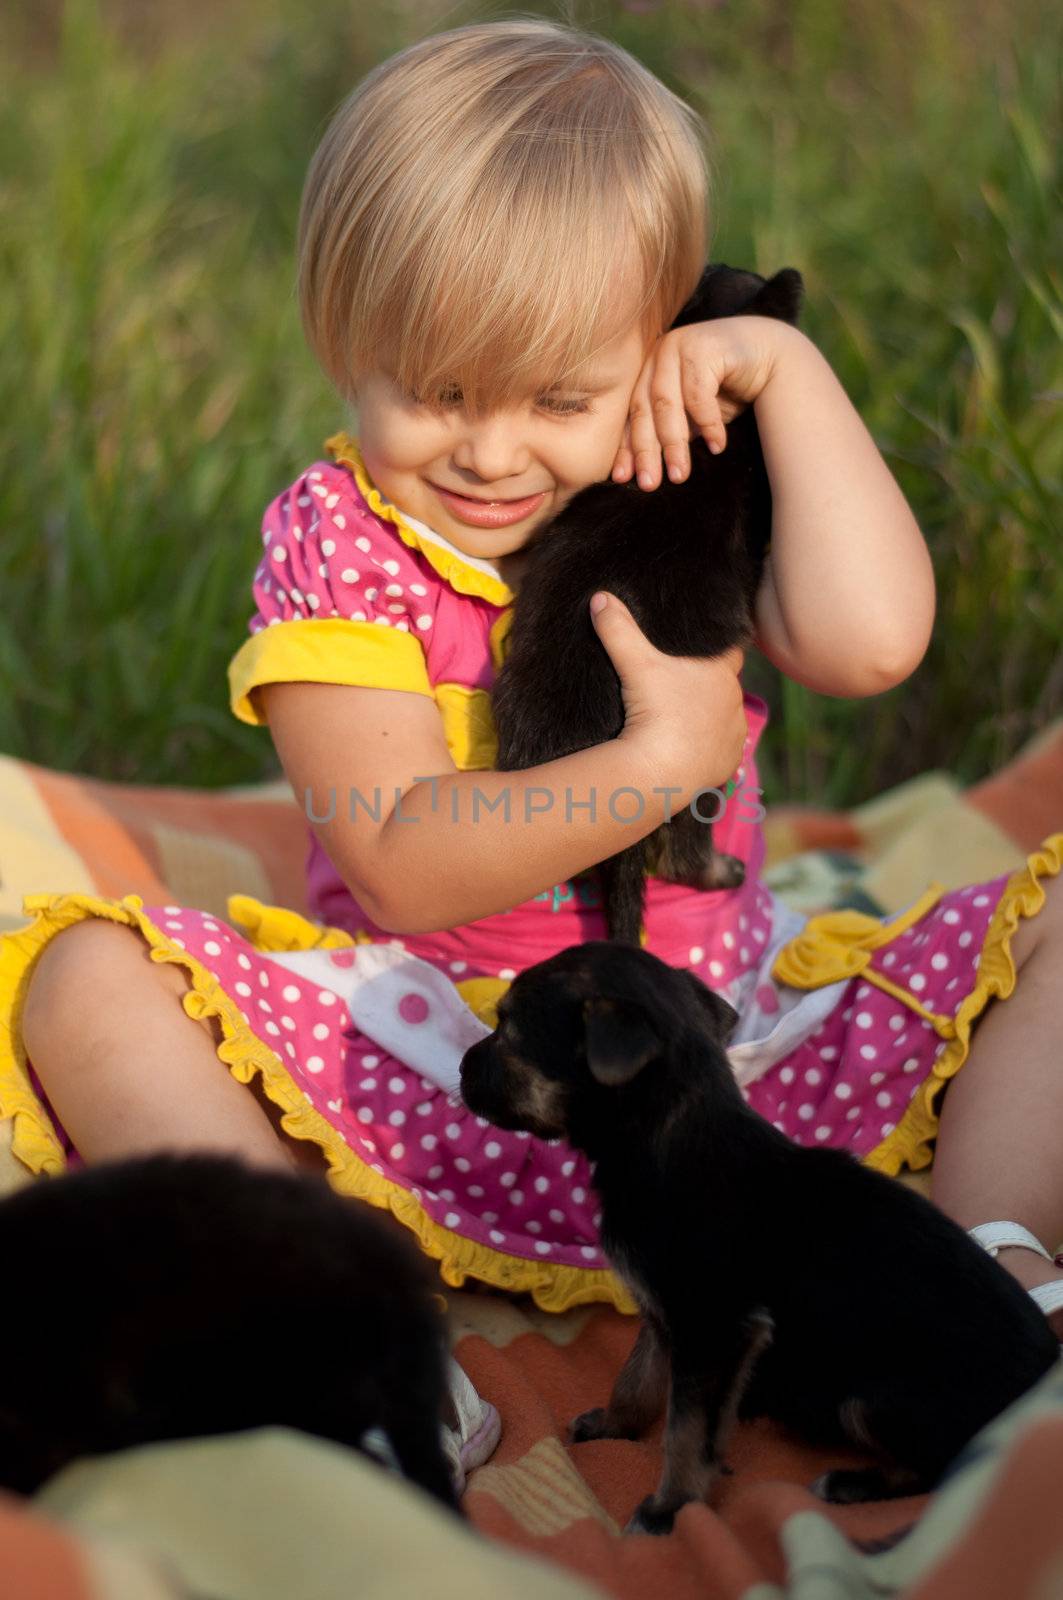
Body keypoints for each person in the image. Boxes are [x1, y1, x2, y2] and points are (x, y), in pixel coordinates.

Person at [4, 14, 1063, 1372]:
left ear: (659, 345)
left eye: (563, 397)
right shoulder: (346, 541)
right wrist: (654, 756)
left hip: (730, 1082)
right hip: (444, 1065)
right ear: (344, 338)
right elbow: (392, 862)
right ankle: (325, 1320)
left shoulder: (684, 483)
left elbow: (868, 647)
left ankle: (990, 1271)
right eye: (440, 390)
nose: (494, 451)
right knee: (84, 979)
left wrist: (790, 376)